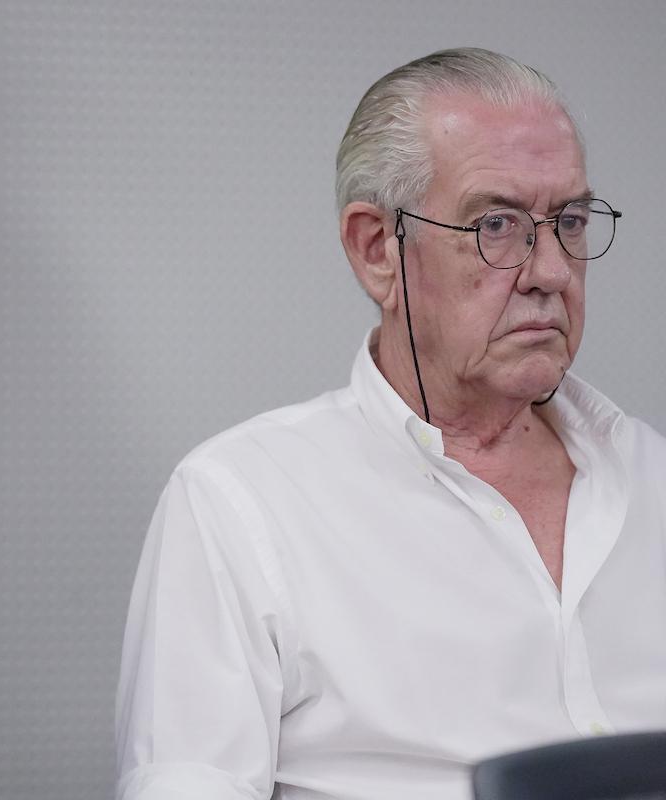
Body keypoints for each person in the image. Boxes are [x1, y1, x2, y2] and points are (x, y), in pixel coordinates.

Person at [116, 47, 666, 799]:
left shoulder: (651, 473)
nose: (552, 270)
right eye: (497, 224)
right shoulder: (243, 504)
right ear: (378, 249)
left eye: (569, 219)